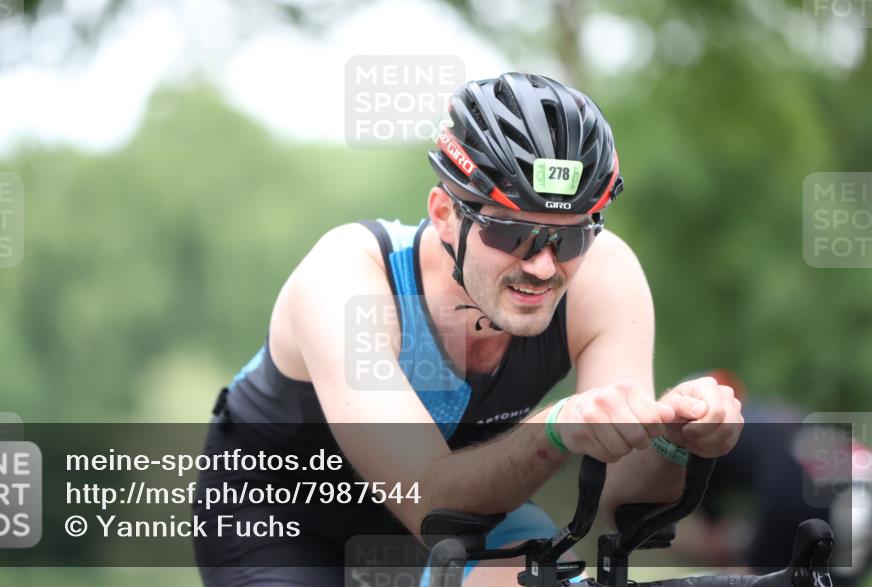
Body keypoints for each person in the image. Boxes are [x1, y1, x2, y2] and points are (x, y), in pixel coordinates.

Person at [193, 72, 744, 586]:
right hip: (283, 515)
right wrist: (552, 430)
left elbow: (625, 504)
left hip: (468, 503)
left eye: (571, 237)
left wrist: (673, 440)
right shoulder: (348, 280)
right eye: (511, 232)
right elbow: (431, 506)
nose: (544, 266)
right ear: (443, 212)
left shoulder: (605, 276)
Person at [671, 370, 872, 586]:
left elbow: (710, 522)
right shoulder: (775, 412)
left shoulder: (716, 430)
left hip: (803, 486)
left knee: (757, 574)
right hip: (861, 482)